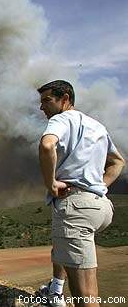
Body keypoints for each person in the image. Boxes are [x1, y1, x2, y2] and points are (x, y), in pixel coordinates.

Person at [37, 80, 125, 307]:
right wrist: (100, 185)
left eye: (47, 100)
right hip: (101, 208)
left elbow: (47, 146)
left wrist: (51, 184)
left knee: (85, 296)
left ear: (65, 99)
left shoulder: (60, 120)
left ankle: (58, 293)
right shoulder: (97, 126)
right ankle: (55, 289)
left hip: (77, 208)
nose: (41, 107)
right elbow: (118, 162)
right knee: (63, 245)